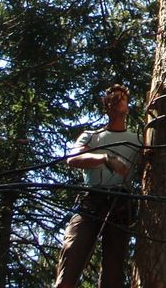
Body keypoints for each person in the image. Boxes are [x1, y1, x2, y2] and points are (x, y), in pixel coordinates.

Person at [54, 83, 142, 288]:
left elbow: (152, 159)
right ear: (106, 106)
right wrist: (104, 158)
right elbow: (73, 158)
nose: (117, 102)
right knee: (72, 255)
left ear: (128, 106)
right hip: (90, 202)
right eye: (112, 99)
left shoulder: (137, 141)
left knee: (113, 274)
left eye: (122, 99)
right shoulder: (91, 136)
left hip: (121, 206)